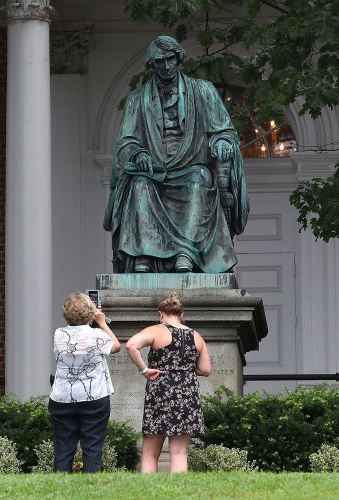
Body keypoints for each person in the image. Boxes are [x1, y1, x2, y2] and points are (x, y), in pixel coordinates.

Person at [103, 35, 249, 274]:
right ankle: (144, 255)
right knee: (139, 185)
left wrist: (222, 141)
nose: (166, 66)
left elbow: (224, 130)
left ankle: (186, 254)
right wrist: (139, 153)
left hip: (192, 168)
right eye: (159, 62)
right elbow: (126, 142)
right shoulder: (137, 100)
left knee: (198, 180)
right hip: (154, 171)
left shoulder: (203, 91)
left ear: (178, 58)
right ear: (152, 65)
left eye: (170, 59)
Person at [125, 292, 211, 472]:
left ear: (160, 314)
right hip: (187, 392)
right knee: (179, 453)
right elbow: (205, 369)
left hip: (161, 391)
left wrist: (145, 370)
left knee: (150, 453)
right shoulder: (196, 336)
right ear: (181, 315)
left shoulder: (156, 330)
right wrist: (185, 369)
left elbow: (131, 345)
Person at [48, 292, 121, 472]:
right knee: (93, 448)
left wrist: (91, 321)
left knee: (63, 450)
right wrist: (102, 322)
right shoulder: (97, 335)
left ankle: (59, 489)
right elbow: (116, 346)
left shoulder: (59, 334)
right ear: (90, 313)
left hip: (62, 399)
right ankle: (91, 489)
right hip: (94, 398)